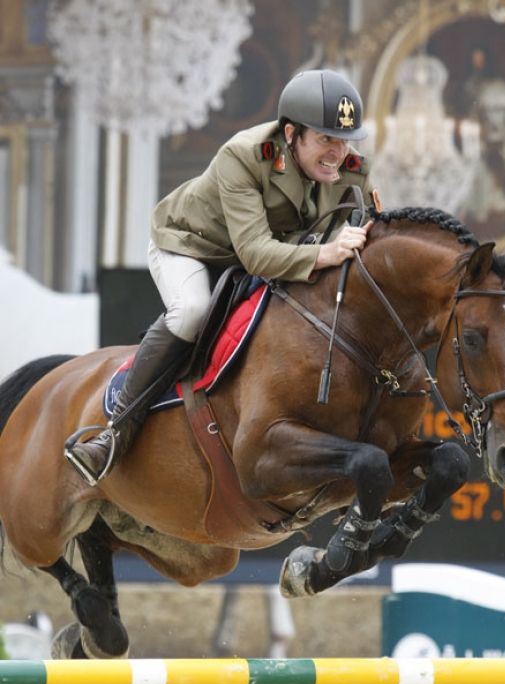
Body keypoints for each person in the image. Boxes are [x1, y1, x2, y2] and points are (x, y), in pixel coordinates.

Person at [65, 68, 378, 486]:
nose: (338, 152)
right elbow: (254, 252)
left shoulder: (353, 169)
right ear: (291, 134)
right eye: (325, 139)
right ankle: (113, 434)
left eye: (344, 140)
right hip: (192, 247)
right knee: (192, 312)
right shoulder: (245, 155)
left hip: (270, 257)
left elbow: (372, 237)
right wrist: (328, 251)